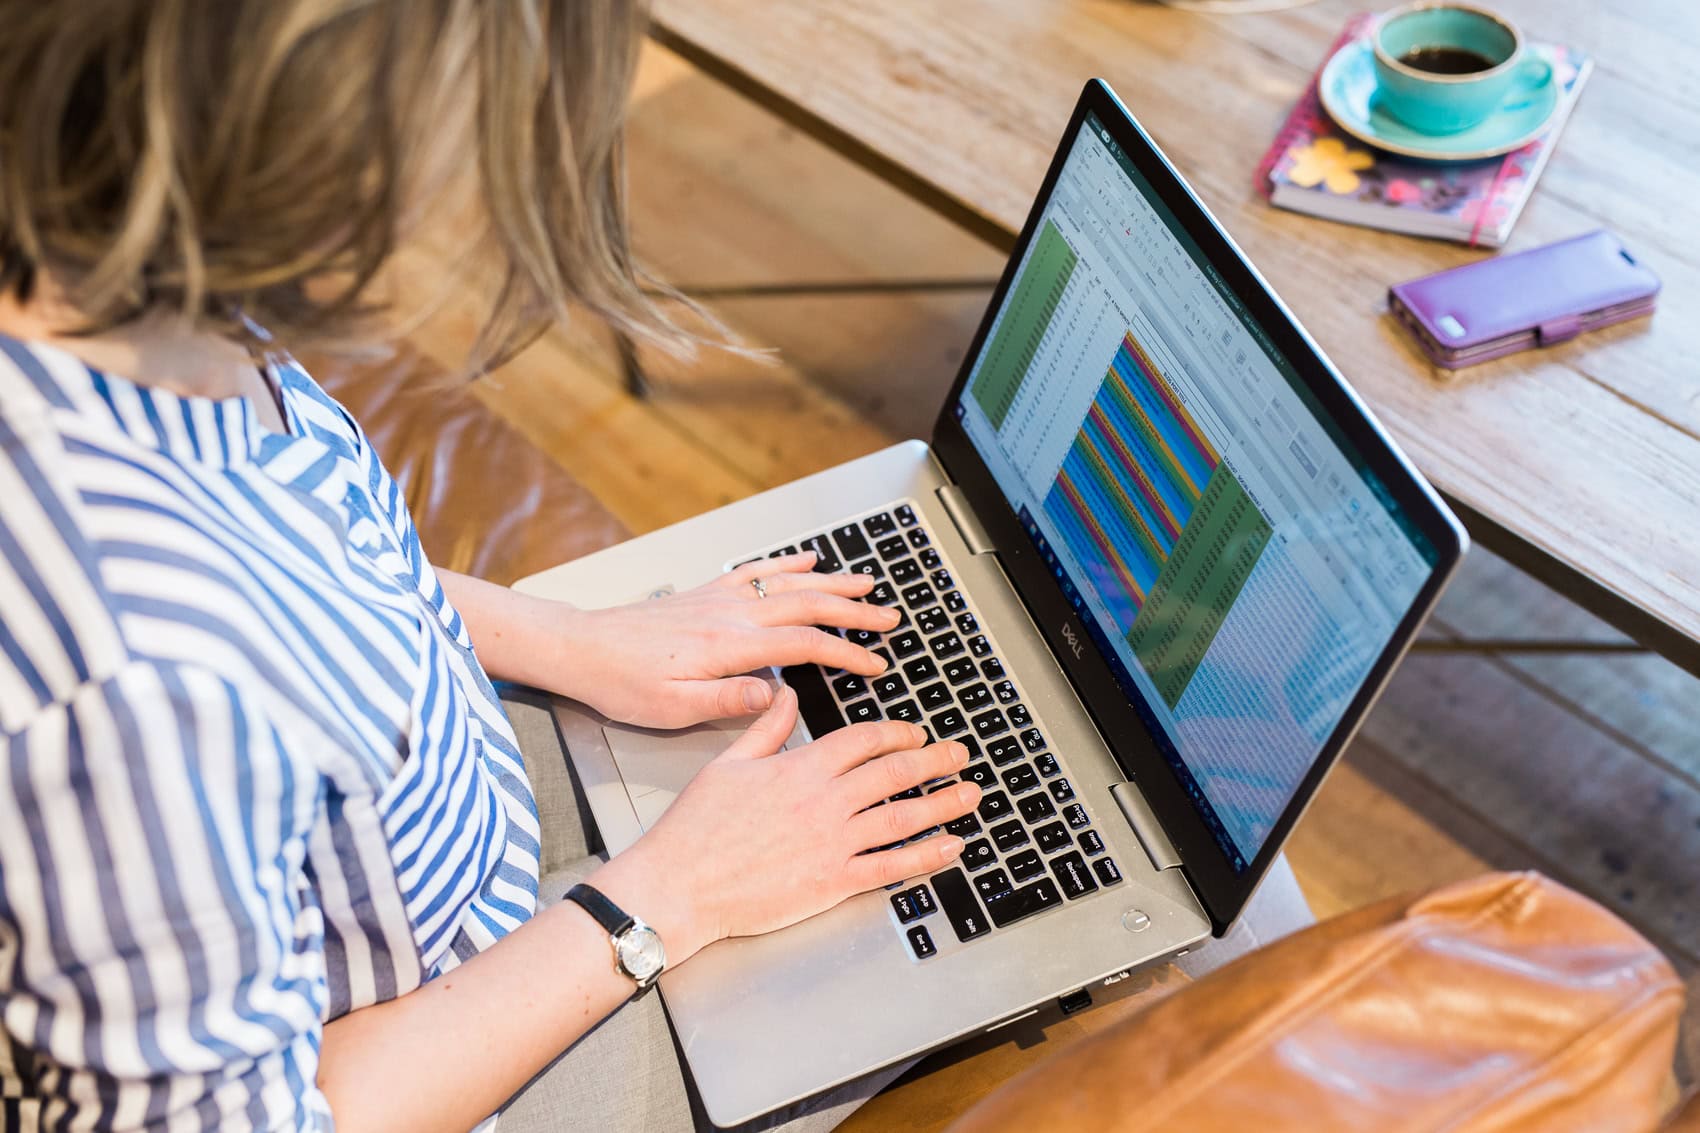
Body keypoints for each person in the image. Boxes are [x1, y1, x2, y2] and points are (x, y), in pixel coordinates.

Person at [0, 3, 1312, 1130]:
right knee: (1209, 919)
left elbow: (295, 600)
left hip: (459, 856)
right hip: (470, 1055)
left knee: (1159, 822)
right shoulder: (121, 671)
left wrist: (568, 635)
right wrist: (665, 900)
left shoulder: (127, 297)